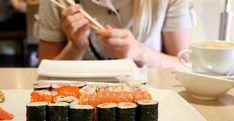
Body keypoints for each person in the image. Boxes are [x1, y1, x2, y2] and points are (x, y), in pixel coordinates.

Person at [35, 0, 195, 68]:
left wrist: (139, 52)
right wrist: (75, 48)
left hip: (152, 97)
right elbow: (45, 72)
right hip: (77, 102)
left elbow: (183, 66)